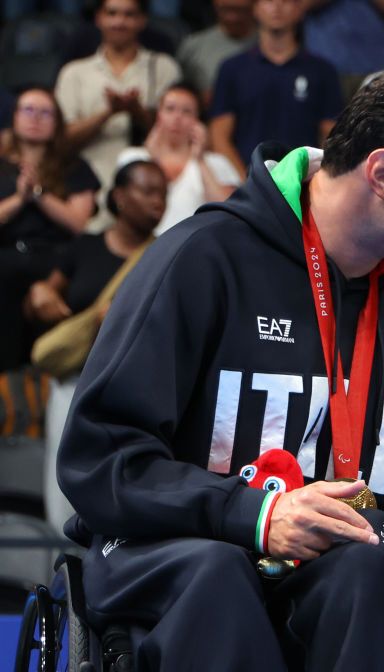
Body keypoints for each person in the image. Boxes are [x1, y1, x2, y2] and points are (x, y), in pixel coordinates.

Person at [56, 65, 384, 671]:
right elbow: (100, 458)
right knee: (218, 573)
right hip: (173, 558)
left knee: (368, 569)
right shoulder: (200, 260)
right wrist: (256, 515)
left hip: (327, 575)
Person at [27, 159, 165, 532]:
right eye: (148, 190)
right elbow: (43, 301)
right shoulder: (85, 247)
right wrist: (40, 295)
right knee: (63, 483)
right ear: (119, 197)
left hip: (133, 388)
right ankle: (65, 575)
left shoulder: (168, 253)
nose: (159, 201)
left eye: (164, 192)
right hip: (75, 381)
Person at [0, 88, 100, 372]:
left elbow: (80, 224)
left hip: (57, 262)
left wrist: (39, 194)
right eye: (28, 110)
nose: (36, 118)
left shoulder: (75, 168)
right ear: (14, 117)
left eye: (46, 112)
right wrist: (19, 199)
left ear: (57, 121)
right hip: (6, 257)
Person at [54, 0, 181, 200]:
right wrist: (107, 113)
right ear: (98, 18)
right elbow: (60, 141)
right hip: (88, 185)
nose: (119, 22)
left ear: (142, 20)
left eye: (129, 15)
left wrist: (136, 111)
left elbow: (178, 135)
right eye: (112, 13)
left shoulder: (164, 67)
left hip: (151, 188)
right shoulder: (73, 73)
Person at [209, 0, 343, 177]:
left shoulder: (322, 71)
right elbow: (219, 136)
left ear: (298, 9)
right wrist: (246, 185)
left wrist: (315, 181)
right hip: (247, 182)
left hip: (302, 183)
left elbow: (331, 137)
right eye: (269, 0)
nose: (277, 6)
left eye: (286, 1)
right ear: (255, 8)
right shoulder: (232, 68)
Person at [117, 84, 241, 234]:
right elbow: (124, 210)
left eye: (187, 111)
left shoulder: (216, 163)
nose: (177, 118)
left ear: (197, 120)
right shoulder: (133, 157)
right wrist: (152, 159)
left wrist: (200, 160)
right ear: (158, 115)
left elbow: (229, 213)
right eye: (170, 109)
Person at [176, 0, 257, 107]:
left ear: (255, 6)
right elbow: (179, 92)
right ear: (216, 4)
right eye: (226, 9)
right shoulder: (193, 46)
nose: (233, 17)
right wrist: (199, 97)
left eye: (240, 10)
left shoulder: (270, 46)